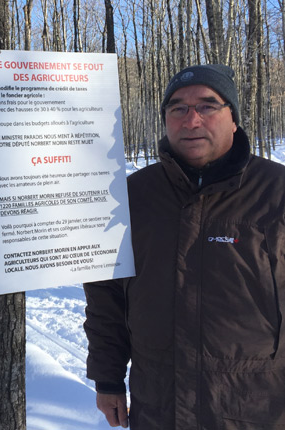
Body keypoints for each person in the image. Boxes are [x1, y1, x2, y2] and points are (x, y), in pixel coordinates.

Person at [83, 64, 285, 429]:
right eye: (177, 109)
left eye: (208, 106)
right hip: (159, 405)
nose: (191, 120)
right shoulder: (131, 196)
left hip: (256, 407)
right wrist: (108, 377)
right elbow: (106, 294)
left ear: (233, 117)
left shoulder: (275, 192)